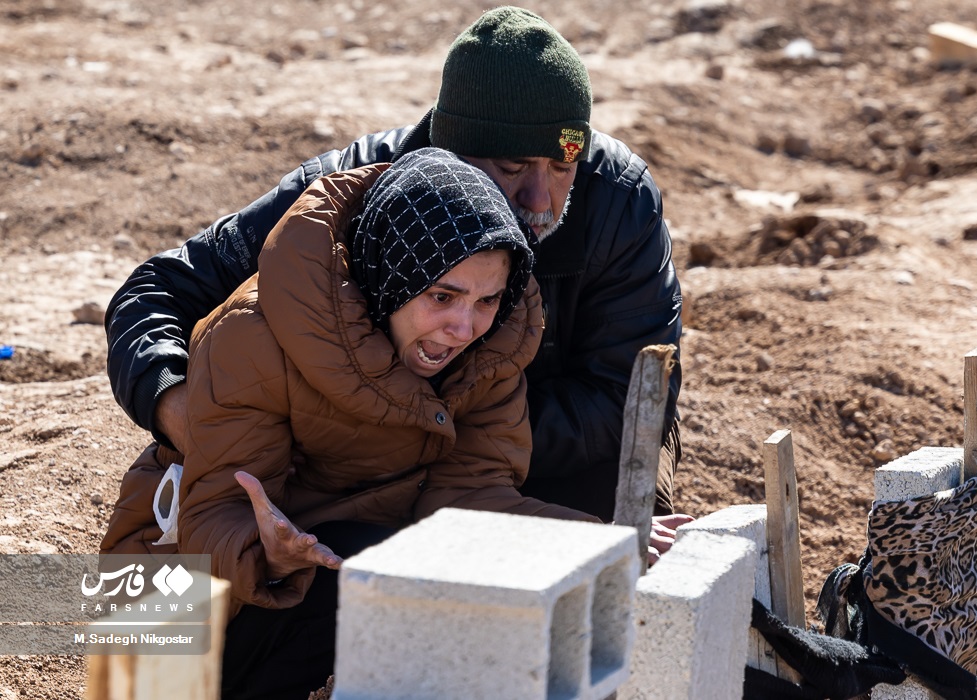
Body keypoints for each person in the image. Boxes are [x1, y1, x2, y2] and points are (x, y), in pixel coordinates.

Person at [105, 6, 683, 524]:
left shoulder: (618, 198)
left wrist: (443, 438)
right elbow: (157, 290)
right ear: (450, 147)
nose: (540, 200)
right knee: (276, 580)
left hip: (542, 453)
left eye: (561, 169)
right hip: (354, 466)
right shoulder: (344, 196)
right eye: (511, 168)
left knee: (624, 562)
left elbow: (631, 394)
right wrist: (178, 408)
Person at [103, 148, 626, 699]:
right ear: (391, 275)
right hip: (176, 606)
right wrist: (269, 554)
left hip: (325, 560)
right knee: (362, 568)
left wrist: (592, 541)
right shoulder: (254, 336)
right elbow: (216, 514)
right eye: (442, 296)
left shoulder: (490, 347)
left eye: (487, 299)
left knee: (424, 579)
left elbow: (467, 498)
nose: (463, 326)